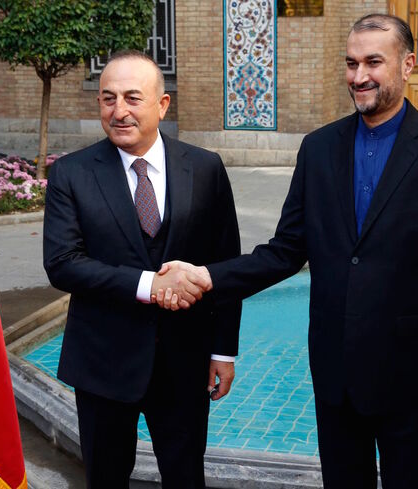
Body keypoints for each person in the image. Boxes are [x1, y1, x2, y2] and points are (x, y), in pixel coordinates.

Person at [156, 14, 418, 488]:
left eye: (374, 62)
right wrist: (210, 277)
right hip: (336, 373)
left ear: (407, 64)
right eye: (351, 63)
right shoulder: (318, 148)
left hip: (409, 377)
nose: (359, 76)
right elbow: (286, 250)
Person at [42, 50, 242, 489]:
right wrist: (150, 284)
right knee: (106, 478)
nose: (119, 111)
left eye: (133, 97)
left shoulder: (205, 168)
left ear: (162, 104)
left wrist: (223, 351)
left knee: (186, 476)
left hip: (184, 364)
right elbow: (62, 264)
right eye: (108, 98)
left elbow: (225, 263)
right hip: (102, 365)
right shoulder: (71, 174)